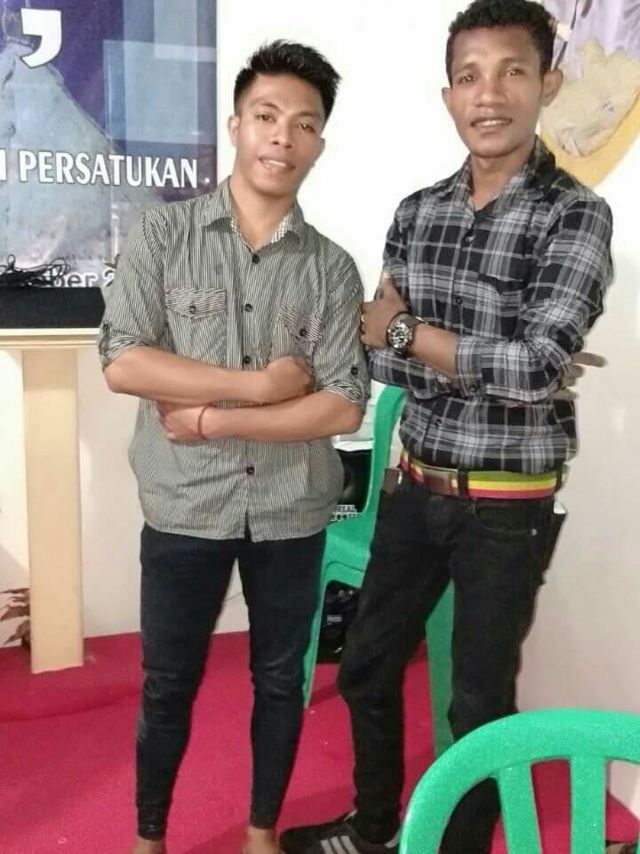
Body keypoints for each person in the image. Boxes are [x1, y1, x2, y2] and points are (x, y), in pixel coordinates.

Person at [280, 2, 613, 853]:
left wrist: (409, 333)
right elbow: (388, 360)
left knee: (477, 706)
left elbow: (530, 369)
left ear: (548, 84)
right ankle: (374, 831)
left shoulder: (574, 215)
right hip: (417, 483)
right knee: (366, 667)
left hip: (507, 504)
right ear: (448, 95)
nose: (488, 94)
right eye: (469, 76)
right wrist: (430, 347)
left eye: (511, 71)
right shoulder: (418, 211)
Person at [98, 40, 368, 854]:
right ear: (235, 126)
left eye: (304, 123)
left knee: (280, 681)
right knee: (168, 684)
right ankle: (149, 838)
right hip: (184, 502)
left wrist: (215, 417)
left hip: (291, 508)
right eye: (266, 115)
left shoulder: (331, 269)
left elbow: (340, 403)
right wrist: (260, 386)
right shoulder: (163, 234)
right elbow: (123, 360)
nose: (283, 136)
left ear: (320, 143)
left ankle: (259, 834)